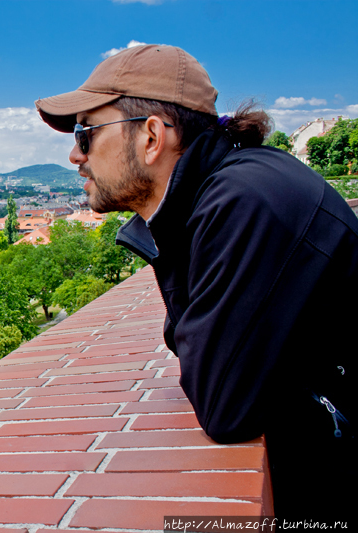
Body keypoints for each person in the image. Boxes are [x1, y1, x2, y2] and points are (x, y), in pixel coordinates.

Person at [35, 44, 355, 517]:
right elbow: (192, 340)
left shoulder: (244, 201)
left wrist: (154, 229)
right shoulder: (225, 191)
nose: (73, 155)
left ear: (151, 137)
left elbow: (222, 406)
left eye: (85, 134)